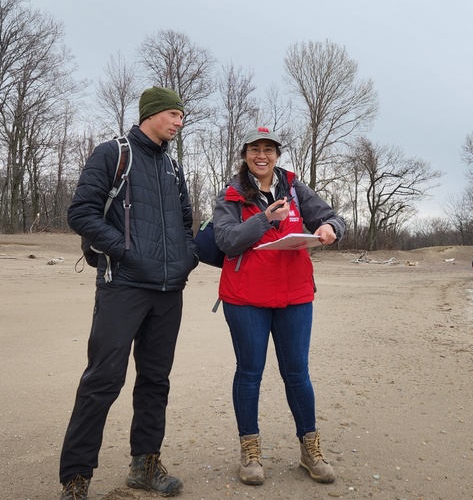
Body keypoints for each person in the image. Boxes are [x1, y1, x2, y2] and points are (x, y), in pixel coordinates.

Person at [58, 86, 199, 500]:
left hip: (169, 292)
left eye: (181, 116)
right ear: (151, 114)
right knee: (102, 380)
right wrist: (125, 251)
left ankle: (145, 465)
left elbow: (187, 219)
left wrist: (187, 258)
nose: (178, 122)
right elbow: (80, 212)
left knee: (156, 380)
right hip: (122, 286)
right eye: (173, 114)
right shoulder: (113, 153)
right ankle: (76, 478)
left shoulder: (173, 168)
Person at [211, 126, 346, 486]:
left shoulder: (296, 188)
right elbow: (226, 241)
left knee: (297, 374)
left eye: (269, 150)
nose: (262, 156)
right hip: (245, 298)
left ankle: (310, 450)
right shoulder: (230, 195)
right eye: (255, 149)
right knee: (250, 372)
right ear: (244, 155)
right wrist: (264, 218)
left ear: (277, 155)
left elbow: (335, 218)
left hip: (295, 295)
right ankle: (250, 452)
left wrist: (331, 228)